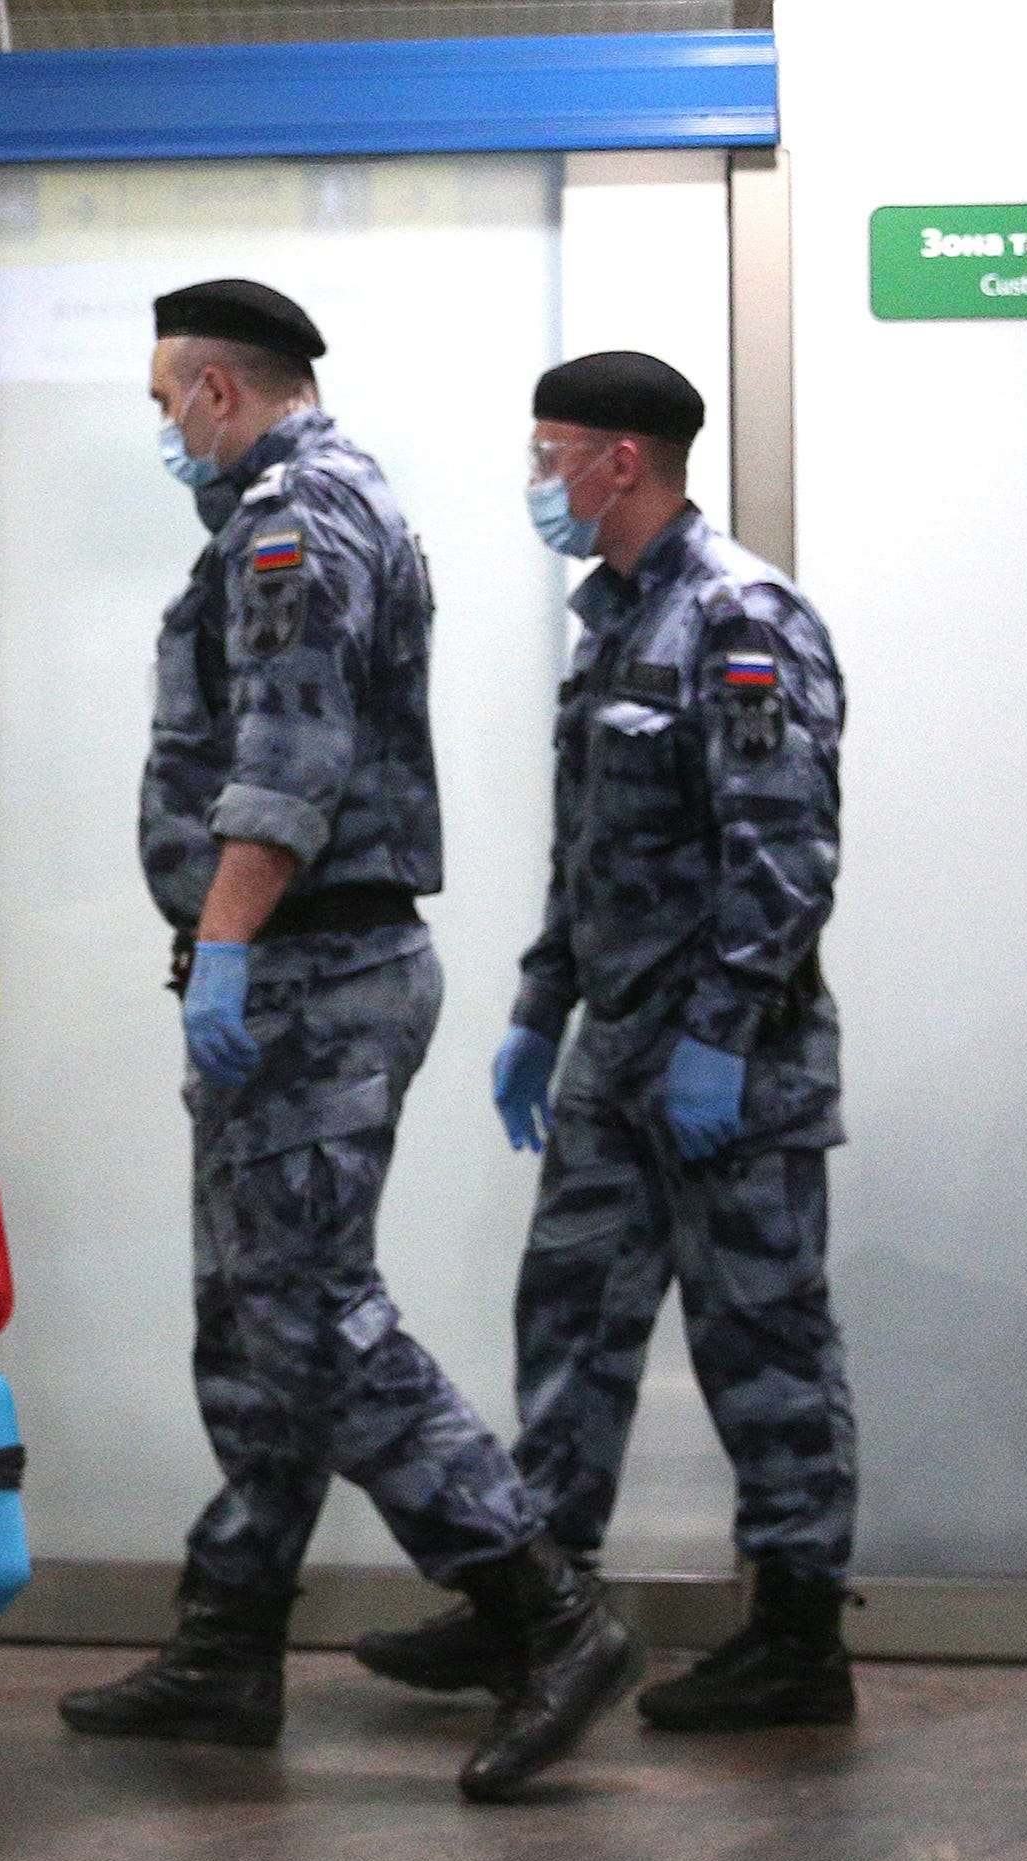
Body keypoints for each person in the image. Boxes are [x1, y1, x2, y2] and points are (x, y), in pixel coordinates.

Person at [56, 281, 642, 1802]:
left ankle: (541, 1606)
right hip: (300, 967)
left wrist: (231, 950)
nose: (162, 430)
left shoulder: (293, 523)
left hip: (312, 968)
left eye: (161, 402)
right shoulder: (308, 505)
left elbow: (291, 761)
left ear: (215, 391)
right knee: (251, 1320)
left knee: (312, 1314)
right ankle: (231, 1640)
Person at [354, 351, 859, 1732]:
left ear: (616, 461)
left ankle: (800, 1642)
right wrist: (538, 1004)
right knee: (569, 1326)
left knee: (765, 1345)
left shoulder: (739, 615)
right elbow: (596, 852)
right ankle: (537, 1607)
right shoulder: (615, 624)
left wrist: (722, 1032)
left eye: (547, 454)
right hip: (614, 1053)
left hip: (731, 1063)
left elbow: (786, 852)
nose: (538, 482)